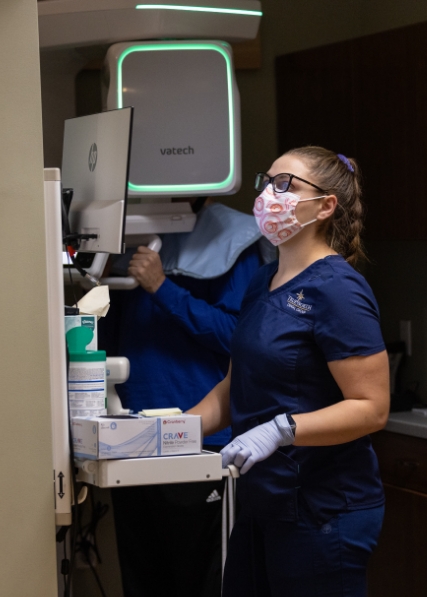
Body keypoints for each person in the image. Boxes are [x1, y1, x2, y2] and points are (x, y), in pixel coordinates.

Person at [189, 146, 390, 597]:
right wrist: (173, 432)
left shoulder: (338, 289)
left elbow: (372, 408)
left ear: (325, 206)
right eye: (267, 181)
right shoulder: (263, 280)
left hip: (324, 510)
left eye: (286, 185)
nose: (268, 194)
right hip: (263, 502)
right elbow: (232, 386)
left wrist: (279, 431)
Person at [99, 198, 265, 597]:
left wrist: (162, 288)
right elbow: (109, 341)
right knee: (143, 577)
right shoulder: (131, 234)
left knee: (200, 581)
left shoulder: (234, 241)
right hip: (132, 440)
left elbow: (239, 337)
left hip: (200, 443)